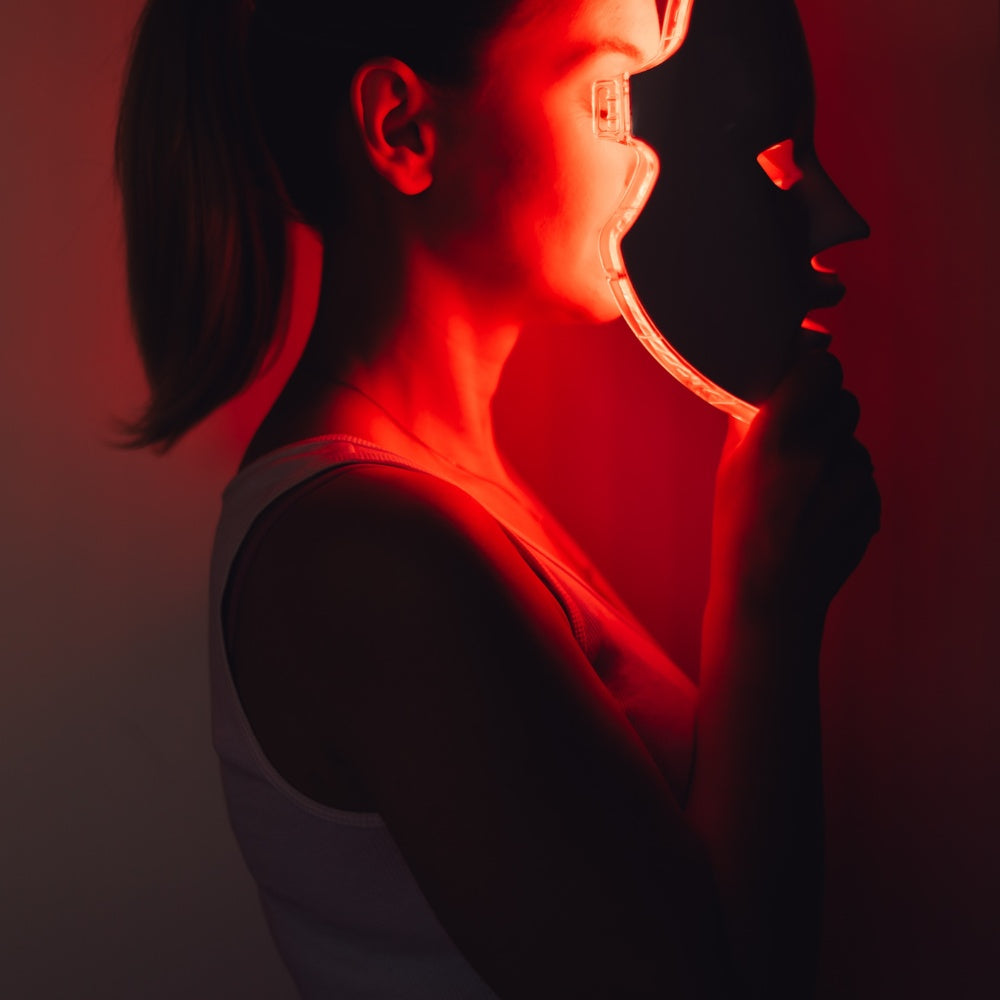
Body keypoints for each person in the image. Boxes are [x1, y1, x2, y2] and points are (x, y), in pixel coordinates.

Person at [115, 0, 880, 996]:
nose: (653, 149)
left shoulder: (454, 499)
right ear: (402, 127)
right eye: (610, 91)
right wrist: (766, 601)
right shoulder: (365, 553)